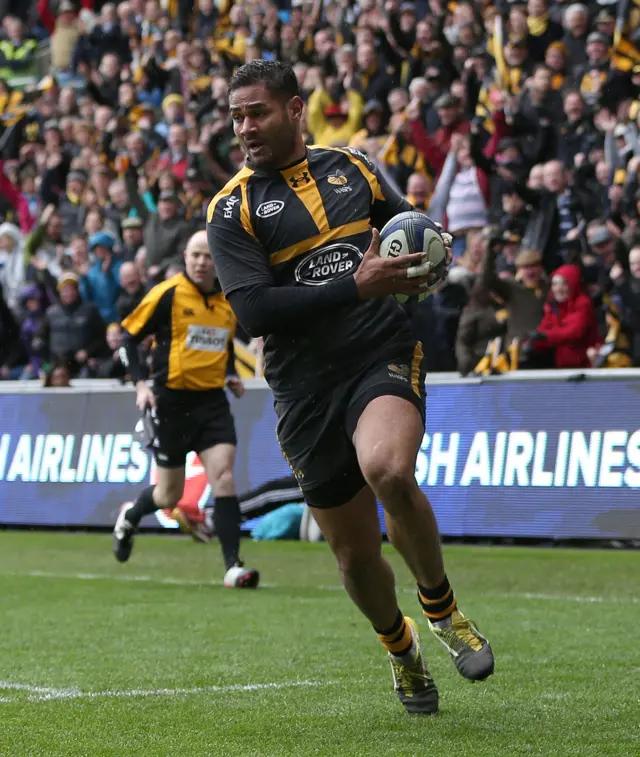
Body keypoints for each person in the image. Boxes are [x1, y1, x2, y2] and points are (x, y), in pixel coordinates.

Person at [207, 61, 494, 716]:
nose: (245, 127)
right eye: (236, 116)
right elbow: (254, 312)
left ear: (295, 108)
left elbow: (407, 226)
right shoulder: (232, 209)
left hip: (378, 353)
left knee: (388, 469)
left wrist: (433, 248)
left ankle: (444, 611)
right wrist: (354, 284)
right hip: (304, 391)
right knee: (355, 556)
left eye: (257, 112)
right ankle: (401, 647)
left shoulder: (354, 168)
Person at [113, 230, 259, 589]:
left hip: (212, 403)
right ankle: (131, 516)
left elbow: (215, 344)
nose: (200, 262)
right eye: (195, 255)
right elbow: (127, 337)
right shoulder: (167, 294)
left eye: (207, 256)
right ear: (186, 257)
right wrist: (140, 384)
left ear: (217, 260)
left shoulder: (228, 300)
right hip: (171, 403)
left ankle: (232, 566)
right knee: (168, 496)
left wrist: (228, 376)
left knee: (223, 477)